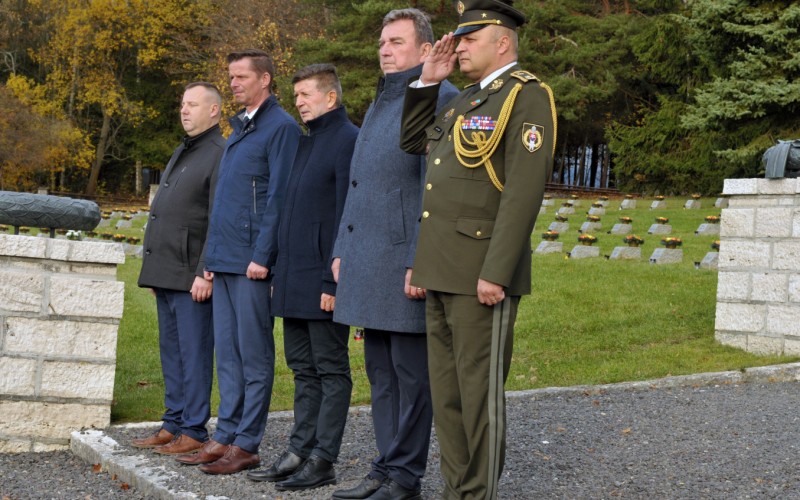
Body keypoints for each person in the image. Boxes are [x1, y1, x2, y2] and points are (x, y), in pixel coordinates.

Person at [399, 0, 557, 498]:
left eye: (469, 39)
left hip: (480, 272)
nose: (458, 46)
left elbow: (523, 192)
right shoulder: (467, 99)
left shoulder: (527, 97)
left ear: (502, 41)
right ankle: (456, 490)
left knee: (478, 397)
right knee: (447, 397)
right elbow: (411, 142)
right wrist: (427, 80)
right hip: (442, 267)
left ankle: (476, 494)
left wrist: (497, 272)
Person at [330, 9, 458, 500]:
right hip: (366, 256)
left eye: (397, 42)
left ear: (426, 51)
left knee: (411, 375)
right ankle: (385, 467)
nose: (385, 50)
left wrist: (419, 258)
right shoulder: (383, 99)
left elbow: (434, 187)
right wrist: (343, 246)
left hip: (402, 258)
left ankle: (406, 476)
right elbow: (359, 185)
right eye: (382, 41)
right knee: (380, 374)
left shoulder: (439, 98)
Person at [174, 49, 301, 475]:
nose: (233, 84)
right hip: (224, 259)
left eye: (242, 76)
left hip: (251, 263)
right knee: (227, 354)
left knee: (253, 355)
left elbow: (279, 199)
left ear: (265, 80)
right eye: (230, 77)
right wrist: (209, 257)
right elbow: (223, 204)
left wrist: (263, 258)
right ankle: (225, 435)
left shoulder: (280, 128)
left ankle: (247, 442)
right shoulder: (239, 129)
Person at [245, 64, 358, 491]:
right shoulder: (305, 143)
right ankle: (299, 450)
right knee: (302, 369)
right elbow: (289, 212)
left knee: (330, 369)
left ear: (331, 97)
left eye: (307, 94)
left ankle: (323, 458)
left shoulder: (348, 140)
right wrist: (278, 269)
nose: (300, 102)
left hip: (323, 279)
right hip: (293, 277)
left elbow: (347, 215)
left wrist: (334, 282)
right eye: (297, 97)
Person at [131, 82, 224, 455]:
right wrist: (155, 268)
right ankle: (173, 423)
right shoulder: (184, 149)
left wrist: (205, 271)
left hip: (192, 274)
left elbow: (218, 215)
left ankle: (194, 429)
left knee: (194, 351)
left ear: (214, 110)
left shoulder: (219, 152)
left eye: (192, 104)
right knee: (171, 351)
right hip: (167, 268)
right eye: (182, 104)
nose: (184, 110)